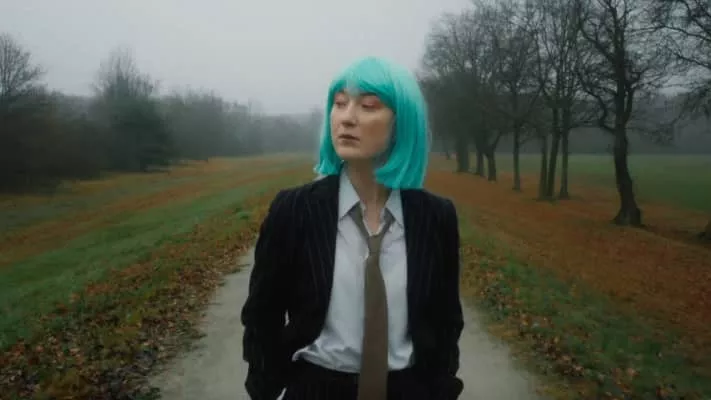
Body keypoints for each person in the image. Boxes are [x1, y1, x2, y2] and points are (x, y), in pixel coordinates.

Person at [241, 56, 464, 400]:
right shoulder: (294, 210)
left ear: (402, 123)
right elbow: (262, 315)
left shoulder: (436, 217)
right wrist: (266, 389)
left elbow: (446, 318)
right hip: (315, 388)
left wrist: (442, 388)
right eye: (340, 103)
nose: (347, 117)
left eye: (368, 106)